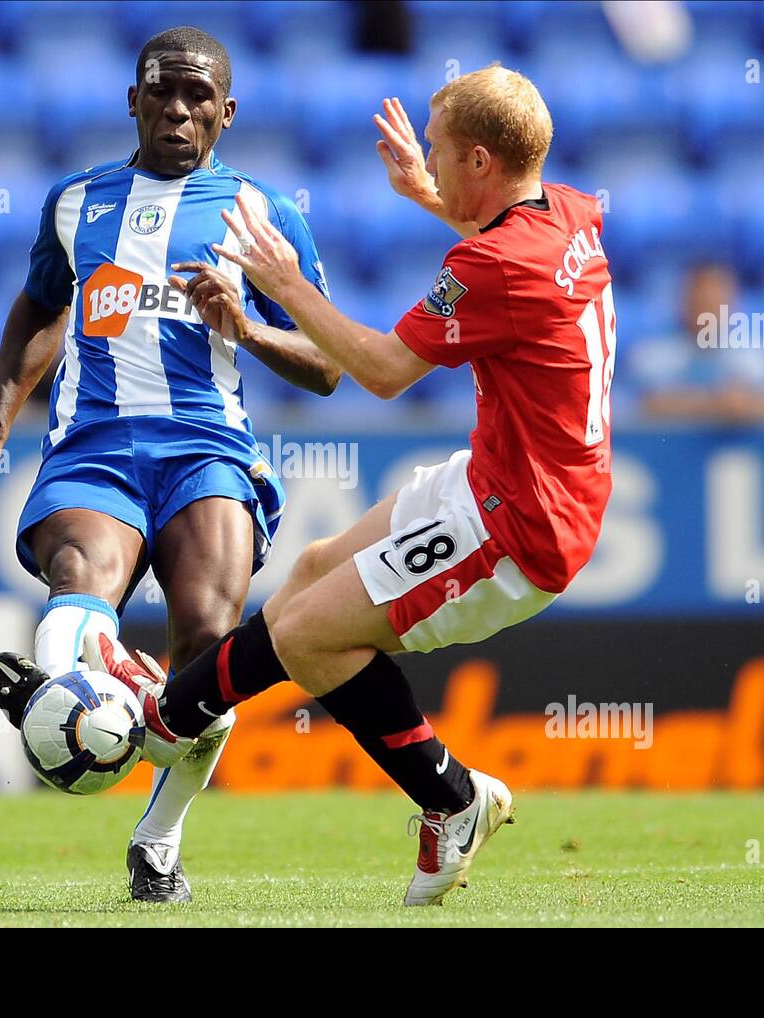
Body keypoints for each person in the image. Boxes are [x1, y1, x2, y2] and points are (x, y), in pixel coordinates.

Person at [106, 67, 615, 906]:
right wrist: (429, 194)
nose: (431, 161)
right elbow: (497, 237)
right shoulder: (564, 211)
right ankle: (172, 715)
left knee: (307, 636)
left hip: (518, 524)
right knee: (308, 573)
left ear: (482, 159)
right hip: (499, 475)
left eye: (441, 151)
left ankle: (445, 796)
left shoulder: (493, 266)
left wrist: (283, 288)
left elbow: (380, 371)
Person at [0, 27, 337, 903]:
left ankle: (155, 835)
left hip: (206, 449)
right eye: (161, 93)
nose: (177, 111)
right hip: (94, 445)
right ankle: (88, 691)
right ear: (131, 101)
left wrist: (246, 325)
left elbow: (327, 365)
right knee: (79, 571)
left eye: (197, 97)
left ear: (226, 112)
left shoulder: (263, 215)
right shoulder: (76, 203)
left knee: (210, 653)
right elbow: (39, 302)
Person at [627, 262, 764, 423]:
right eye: (700, 302)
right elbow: (641, 405)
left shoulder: (755, 352)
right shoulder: (653, 353)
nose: (707, 311)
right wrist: (711, 404)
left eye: (715, 303)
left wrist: (748, 405)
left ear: (733, 303)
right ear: (684, 302)